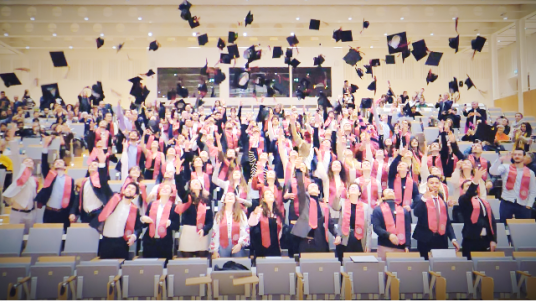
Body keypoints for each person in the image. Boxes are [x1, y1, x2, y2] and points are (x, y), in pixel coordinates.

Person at [91, 182, 141, 260]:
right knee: (105, 267)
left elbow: (139, 228)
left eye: (133, 189)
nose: (129, 190)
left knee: (121, 267)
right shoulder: (113, 199)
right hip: (106, 241)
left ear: (135, 195)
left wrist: (134, 236)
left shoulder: (134, 210)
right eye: (128, 187)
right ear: (123, 191)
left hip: (122, 242)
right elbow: (104, 185)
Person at [412, 175, 458, 259]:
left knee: (440, 265)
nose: (434, 185)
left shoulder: (442, 201)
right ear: (427, 185)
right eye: (431, 183)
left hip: (441, 238)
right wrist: (424, 199)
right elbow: (416, 213)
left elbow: (447, 222)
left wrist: (453, 239)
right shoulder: (420, 198)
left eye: (437, 183)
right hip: (425, 238)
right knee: (425, 266)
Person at [35, 136, 75, 229]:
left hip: (63, 213)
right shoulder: (50, 176)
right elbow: (44, 164)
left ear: (65, 167)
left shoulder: (70, 180)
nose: (58, 163)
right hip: (49, 212)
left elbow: (72, 197)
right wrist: (45, 146)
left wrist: (72, 213)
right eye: (56, 162)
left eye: (61, 162)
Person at [458, 168, 497, 259]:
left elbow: (492, 222)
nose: (471, 187)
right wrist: (475, 180)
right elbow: (469, 194)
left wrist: (493, 239)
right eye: (467, 186)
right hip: (471, 239)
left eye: (472, 185)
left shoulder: (484, 202)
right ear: (463, 190)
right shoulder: (463, 200)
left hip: (485, 240)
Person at [490, 149, 536, 222]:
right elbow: (492, 171)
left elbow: (533, 190)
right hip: (506, 202)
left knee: (522, 229)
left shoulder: (530, 173)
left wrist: (529, 205)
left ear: (524, 157)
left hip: (523, 204)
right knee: (504, 226)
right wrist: (500, 159)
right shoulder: (505, 168)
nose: (517, 156)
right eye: (515, 154)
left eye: (519, 154)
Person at [70, 150, 113, 223]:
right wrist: (72, 212)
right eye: (90, 165)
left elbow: (103, 180)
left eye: (95, 165)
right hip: (85, 215)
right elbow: (78, 199)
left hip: (98, 213)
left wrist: (102, 163)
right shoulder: (84, 182)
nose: (92, 166)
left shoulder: (100, 181)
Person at [333, 183, 373, 261]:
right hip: (345, 238)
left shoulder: (366, 207)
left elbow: (368, 227)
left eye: (355, 187)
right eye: (351, 187)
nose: (353, 188)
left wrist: (368, 245)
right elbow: (335, 207)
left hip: (360, 238)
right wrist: (338, 194)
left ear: (359, 193)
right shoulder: (343, 203)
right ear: (348, 192)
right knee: (343, 261)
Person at [141, 183, 180, 260]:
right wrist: (143, 219)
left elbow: (177, 226)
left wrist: (171, 223)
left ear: (171, 193)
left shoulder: (174, 207)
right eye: (162, 188)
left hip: (165, 242)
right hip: (149, 241)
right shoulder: (151, 204)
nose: (164, 189)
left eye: (167, 188)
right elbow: (145, 224)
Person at [372, 188, 411, 260]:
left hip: (401, 246)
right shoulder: (377, 210)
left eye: (392, 191)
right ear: (382, 197)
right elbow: (376, 227)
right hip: (385, 246)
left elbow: (407, 229)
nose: (390, 191)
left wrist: (407, 245)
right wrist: (389, 235)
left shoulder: (403, 210)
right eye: (387, 191)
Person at [3, 158, 39, 233]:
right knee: (14, 236)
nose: (29, 162)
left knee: (28, 237)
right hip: (17, 212)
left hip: (30, 213)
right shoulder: (17, 176)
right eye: (26, 161)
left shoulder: (35, 179)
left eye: (31, 161)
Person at [209, 192, 249, 258]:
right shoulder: (219, 215)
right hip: (223, 244)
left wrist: (240, 244)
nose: (230, 196)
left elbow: (245, 229)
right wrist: (215, 250)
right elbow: (215, 232)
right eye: (228, 196)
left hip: (237, 243)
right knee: (223, 266)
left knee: (238, 266)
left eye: (232, 196)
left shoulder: (241, 214)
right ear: (224, 200)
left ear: (235, 200)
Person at [249, 189, 284, 257]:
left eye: (271, 194)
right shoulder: (259, 211)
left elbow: (280, 232)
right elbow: (251, 223)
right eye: (267, 194)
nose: (270, 195)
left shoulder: (277, 213)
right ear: (264, 199)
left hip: (275, 246)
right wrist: (254, 214)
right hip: (261, 246)